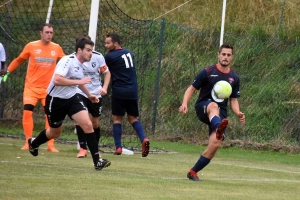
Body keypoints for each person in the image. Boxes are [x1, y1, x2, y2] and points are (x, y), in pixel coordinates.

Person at [27, 37, 111, 170]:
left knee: (88, 125)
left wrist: (89, 96)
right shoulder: (67, 61)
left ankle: (97, 161)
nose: (91, 53)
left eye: (91, 50)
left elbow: (79, 81)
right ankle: (34, 143)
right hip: (56, 100)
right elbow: (57, 80)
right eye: (88, 50)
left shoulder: (81, 64)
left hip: (72, 98)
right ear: (79, 50)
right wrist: (79, 82)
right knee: (55, 133)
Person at [179, 44, 245, 181]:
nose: (226, 57)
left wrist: (238, 113)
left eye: (228, 55)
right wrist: (184, 103)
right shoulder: (208, 72)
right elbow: (191, 89)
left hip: (220, 114)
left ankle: (193, 172)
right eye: (223, 54)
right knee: (213, 106)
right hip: (203, 107)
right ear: (218, 54)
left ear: (232, 57)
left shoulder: (234, 77)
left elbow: (233, 100)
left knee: (215, 144)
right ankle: (218, 127)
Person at [2, 23, 65, 152]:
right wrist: (7, 71)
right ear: (41, 33)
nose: (49, 35)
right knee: (27, 112)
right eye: (47, 32)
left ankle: (50, 145)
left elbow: (66, 63)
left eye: (51, 33)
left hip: (48, 89)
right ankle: (28, 142)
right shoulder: (31, 46)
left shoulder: (56, 48)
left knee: (49, 115)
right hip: (31, 87)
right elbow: (19, 59)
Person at [104, 33, 150, 157]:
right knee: (133, 118)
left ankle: (118, 147)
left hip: (119, 91)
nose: (106, 45)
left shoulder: (109, 57)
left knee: (117, 119)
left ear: (116, 43)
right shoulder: (130, 53)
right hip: (133, 91)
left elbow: (102, 69)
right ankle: (143, 139)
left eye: (108, 43)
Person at [74, 34, 111, 158]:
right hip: (80, 92)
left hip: (95, 93)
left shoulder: (98, 57)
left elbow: (107, 73)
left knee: (95, 122)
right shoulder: (73, 59)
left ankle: (95, 148)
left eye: (90, 49)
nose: (88, 52)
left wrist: (104, 88)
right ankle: (83, 148)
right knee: (81, 119)